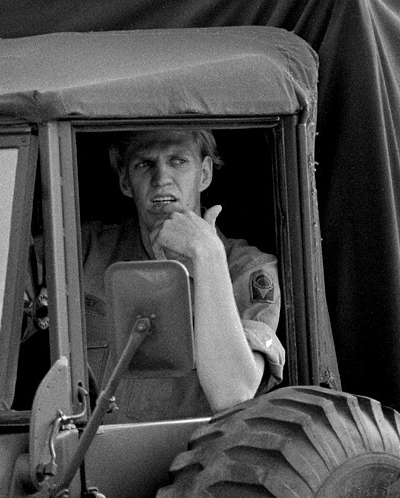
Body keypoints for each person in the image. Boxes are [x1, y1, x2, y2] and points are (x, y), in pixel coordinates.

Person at [83, 129, 285, 422]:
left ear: (204, 174)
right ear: (125, 181)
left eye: (178, 161)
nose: (161, 178)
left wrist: (207, 254)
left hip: (192, 448)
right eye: (144, 164)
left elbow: (233, 394)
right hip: (89, 446)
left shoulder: (247, 269)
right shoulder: (86, 252)